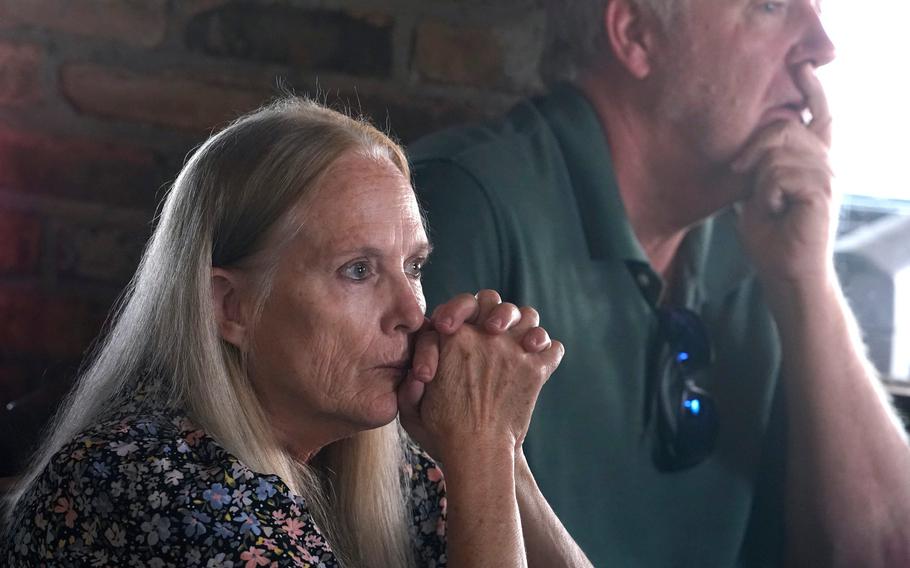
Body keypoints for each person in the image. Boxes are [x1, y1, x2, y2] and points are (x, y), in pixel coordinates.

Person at [410, 0, 910, 566]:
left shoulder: (765, 230)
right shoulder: (459, 209)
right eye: (770, 7)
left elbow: (884, 551)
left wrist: (807, 282)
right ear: (637, 34)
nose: (824, 46)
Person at [0, 98, 592, 567]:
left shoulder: (395, 472)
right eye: (357, 270)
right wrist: (481, 446)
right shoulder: (139, 484)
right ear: (230, 306)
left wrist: (503, 450)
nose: (412, 314)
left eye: (412, 267)